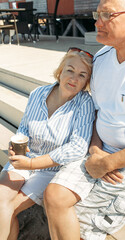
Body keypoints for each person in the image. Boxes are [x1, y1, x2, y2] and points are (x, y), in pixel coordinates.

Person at [44, 0, 125, 239]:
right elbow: (98, 113)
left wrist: (110, 162)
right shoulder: (102, 58)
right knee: (53, 195)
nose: (97, 22)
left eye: (107, 15)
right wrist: (96, 151)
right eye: (98, 14)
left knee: (81, 222)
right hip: (99, 151)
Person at [0, 48, 95, 240]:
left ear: (87, 82)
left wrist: (33, 164)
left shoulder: (85, 103)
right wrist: (16, 144)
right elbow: (24, 128)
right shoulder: (38, 93)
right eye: (70, 70)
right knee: (1, 201)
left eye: (82, 75)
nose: (74, 78)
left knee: (8, 208)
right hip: (25, 159)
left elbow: (78, 147)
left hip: (50, 169)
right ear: (60, 70)